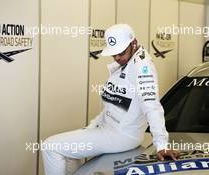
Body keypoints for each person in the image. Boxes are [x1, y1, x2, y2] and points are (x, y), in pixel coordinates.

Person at [42, 24, 179, 175]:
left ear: (134, 43)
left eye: (121, 53)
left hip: (123, 135)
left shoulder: (142, 67)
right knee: (68, 153)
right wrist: (93, 126)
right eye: (114, 54)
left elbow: (152, 106)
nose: (118, 58)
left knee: (50, 147)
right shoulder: (125, 63)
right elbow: (113, 105)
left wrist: (161, 145)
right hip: (110, 129)